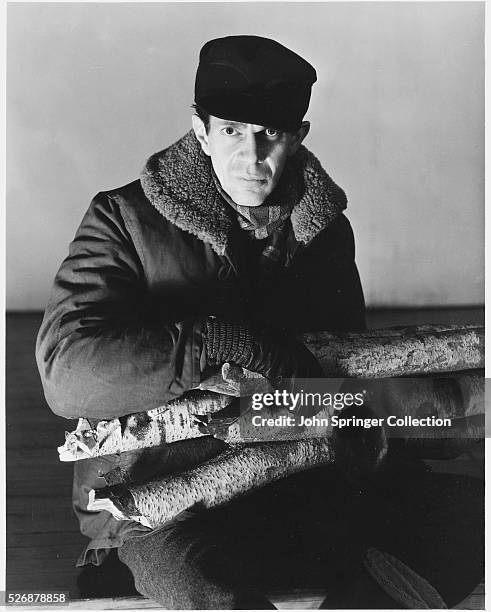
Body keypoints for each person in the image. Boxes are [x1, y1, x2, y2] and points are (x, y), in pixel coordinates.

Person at [36, 36, 482, 609]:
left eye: (270, 133)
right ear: (200, 130)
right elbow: (66, 373)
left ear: (298, 136)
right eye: (231, 131)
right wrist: (220, 343)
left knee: (469, 515)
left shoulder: (322, 231)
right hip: (166, 500)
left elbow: (344, 371)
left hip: (294, 479)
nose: (251, 156)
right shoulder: (123, 219)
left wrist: (371, 429)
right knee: (200, 583)